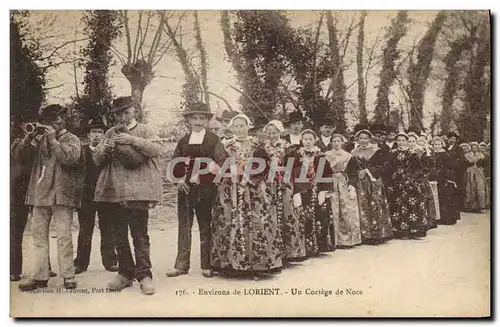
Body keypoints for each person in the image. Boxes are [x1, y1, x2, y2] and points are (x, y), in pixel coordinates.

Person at [93, 96, 162, 295]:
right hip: (114, 191)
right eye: (118, 113)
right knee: (119, 235)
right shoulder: (110, 132)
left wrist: (132, 140)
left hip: (138, 191)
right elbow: (97, 159)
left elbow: (156, 150)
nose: (122, 116)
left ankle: (144, 275)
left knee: (140, 235)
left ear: (135, 111)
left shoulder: (146, 130)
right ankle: (125, 273)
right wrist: (106, 146)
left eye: (126, 112)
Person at [19, 105, 84, 291]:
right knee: (38, 236)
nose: (48, 125)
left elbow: (70, 159)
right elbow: (19, 156)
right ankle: (40, 276)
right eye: (46, 122)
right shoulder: (40, 140)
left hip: (62, 195)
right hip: (40, 194)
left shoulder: (72, 139)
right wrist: (29, 136)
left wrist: (54, 140)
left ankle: (68, 276)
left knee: (63, 236)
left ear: (61, 121)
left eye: (52, 121)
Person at [211, 113, 283, 280]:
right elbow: (220, 164)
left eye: (242, 126)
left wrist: (250, 179)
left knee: (256, 222)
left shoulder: (257, 144)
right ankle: (233, 265)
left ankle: (257, 265)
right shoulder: (226, 144)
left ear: (248, 126)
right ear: (232, 129)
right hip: (231, 187)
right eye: (236, 126)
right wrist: (230, 174)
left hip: (253, 188)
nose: (239, 129)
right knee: (231, 221)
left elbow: (263, 165)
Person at [166, 103, 228, 279]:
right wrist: (178, 181)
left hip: (206, 190)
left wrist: (211, 172)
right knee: (184, 226)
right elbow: (174, 163)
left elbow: (223, 163)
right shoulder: (183, 141)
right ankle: (181, 264)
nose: (198, 121)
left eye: (202, 118)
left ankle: (207, 264)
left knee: (205, 226)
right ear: (189, 120)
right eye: (195, 118)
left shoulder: (214, 141)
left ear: (207, 121)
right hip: (185, 190)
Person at [11, 117, 57, 282]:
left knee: (41, 230)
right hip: (19, 191)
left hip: (39, 190)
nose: (32, 127)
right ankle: (13, 269)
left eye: (35, 124)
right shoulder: (19, 141)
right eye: (28, 124)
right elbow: (17, 154)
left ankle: (45, 267)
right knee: (16, 230)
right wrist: (29, 137)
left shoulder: (47, 140)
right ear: (23, 127)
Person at [74, 116, 118, 274]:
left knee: (107, 228)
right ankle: (80, 263)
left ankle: (111, 261)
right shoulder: (82, 151)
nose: (97, 135)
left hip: (106, 195)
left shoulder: (108, 152)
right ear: (88, 135)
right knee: (85, 229)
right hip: (86, 196)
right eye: (94, 132)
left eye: (100, 132)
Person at [289, 129, 334, 256]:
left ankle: (321, 246)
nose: (308, 142)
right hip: (303, 190)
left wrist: (324, 190)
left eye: (310, 139)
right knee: (305, 217)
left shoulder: (320, 156)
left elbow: (326, 173)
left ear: (315, 140)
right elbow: (292, 173)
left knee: (321, 216)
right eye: (305, 139)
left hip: (318, 190)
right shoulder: (296, 155)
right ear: (301, 141)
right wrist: (296, 191)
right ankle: (307, 248)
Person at [262, 120, 302, 263]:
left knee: (286, 213)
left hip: (284, 183)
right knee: (270, 215)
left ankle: (289, 251)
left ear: (280, 133)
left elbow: (296, 167)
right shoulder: (262, 147)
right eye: (269, 133)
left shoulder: (288, 147)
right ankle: (274, 252)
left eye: (275, 133)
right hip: (267, 183)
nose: (272, 136)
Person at [346, 129, 392, 244]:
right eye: (360, 138)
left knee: (375, 204)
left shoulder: (377, 151)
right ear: (357, 139)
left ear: (370, 139)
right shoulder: (353, 152)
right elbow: (350, 169)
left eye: (365, 138)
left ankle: (378, 234)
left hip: (373, 181)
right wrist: (355, 177)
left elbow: (383, 166)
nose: (363, 140)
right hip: (360, 182)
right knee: (362, 206)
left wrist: (367, 171)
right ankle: (365, 235)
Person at [385, 133, 428, 239]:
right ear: (396, 141)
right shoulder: (392, 153)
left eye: (403, 140)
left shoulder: (412, 153)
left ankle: (413, 230)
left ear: (407, 141)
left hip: (409, 181)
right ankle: (400, 231)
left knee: (411, 204)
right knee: (397, 205)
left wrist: (411, 178)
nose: (401, 143)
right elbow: (388, 167)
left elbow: (418, 168)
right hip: (395, 182)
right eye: (399, 140)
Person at [324, 134, 362, 248]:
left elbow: (352, 172)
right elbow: (323, 172)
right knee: (333, 208)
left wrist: (352, 185)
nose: (336, 143)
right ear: (331, 142)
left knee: (346, 209)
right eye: (334, 141)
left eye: (338, 141)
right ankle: (334, 240)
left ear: (342, 143)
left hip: (344, 182)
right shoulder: (326, 155)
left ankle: (348, 240)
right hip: (331, 182)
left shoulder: (348, 156)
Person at [408, 132, 438, 230]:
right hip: (407, 179)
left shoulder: (422, 152)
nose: (411, 143)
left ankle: (425, 223)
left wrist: (418, 175)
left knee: (423, 200)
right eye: (409, 141)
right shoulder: (406, 152)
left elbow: (427, 167)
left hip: (420, 179)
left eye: (413, 141)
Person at [429, 138, 460, 225]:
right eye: (435, 145)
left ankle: (446, 218)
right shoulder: (432, 154)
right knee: (437, 197)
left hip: (443, 178)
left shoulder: (446, 155)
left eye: (439, 144)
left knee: (444, 197)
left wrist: (446, 176)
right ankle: (438, 217)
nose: (437, 146)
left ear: (442, 145)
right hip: (434, 177)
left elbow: (450, 167)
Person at [463, 142, 488, 213]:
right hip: (470, 173)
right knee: (470, 188)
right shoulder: (467, 155)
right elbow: (466, 164)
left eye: (476, 146)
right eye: (473, 146)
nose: (474, 148)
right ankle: (471, 206)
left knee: (480, 188)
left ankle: (480, 206)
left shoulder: (482, 155)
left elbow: (484, 164)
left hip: (479, 173)